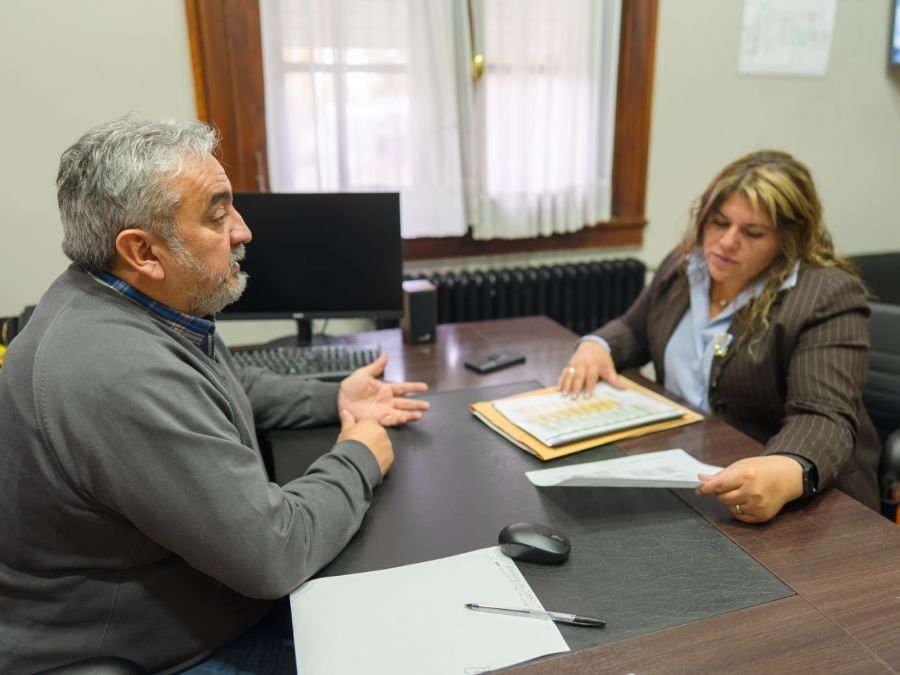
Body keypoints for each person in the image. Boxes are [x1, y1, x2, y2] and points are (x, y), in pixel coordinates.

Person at [0, 115, 430, 673]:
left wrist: (335, 399)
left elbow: (225, 383)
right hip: (144, 650)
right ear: (143, 251)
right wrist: (358, 455)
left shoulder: (120, 300)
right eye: (217, 214)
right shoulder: (118, 372)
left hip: (182, 599)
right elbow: (274, 554)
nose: (243, 231)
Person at [558, 150, 880, 524]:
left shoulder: (825, 295)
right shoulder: (687, 264)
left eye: (752, 232)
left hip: (805, 501)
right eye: (719, 222)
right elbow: (635, 328)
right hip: (693, 466)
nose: (726, 242)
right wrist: (597, 346)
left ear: (788, 239)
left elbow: (822, 416)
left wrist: (785, 467)